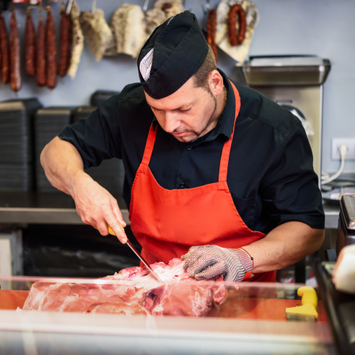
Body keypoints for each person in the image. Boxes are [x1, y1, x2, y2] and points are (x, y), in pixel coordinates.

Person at [41, 11, 325, 283]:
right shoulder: (131, 110)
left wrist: (242, 259)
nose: (169, 124)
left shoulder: (273, 131)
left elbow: (308, 229)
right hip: (156, 296)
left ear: (214, 83)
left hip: (245, 301)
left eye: (183, 108)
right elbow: (55, 151)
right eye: (157, 110)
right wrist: (79, 185)